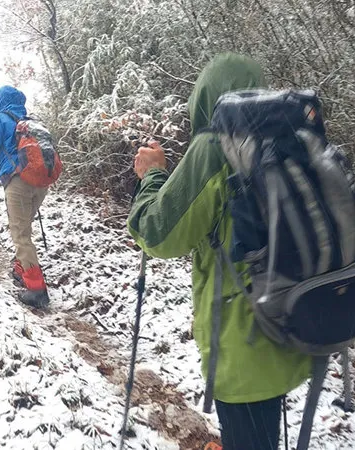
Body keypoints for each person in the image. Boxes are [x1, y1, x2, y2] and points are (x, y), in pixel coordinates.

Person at [127, 53, 312, 450]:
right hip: (295, 319)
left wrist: (153, 175)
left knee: (251, 426)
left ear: (205, 98)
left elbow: (157, 234)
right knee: (261, 425)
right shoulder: (292, 138)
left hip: (242, 341)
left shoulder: (215, 146)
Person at [0, 85, 50, 308]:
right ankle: (21, 268)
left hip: (17, 182)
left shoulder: (0, 119)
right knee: (24, 227)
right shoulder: (32, 121)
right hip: (41, 182)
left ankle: (36, 289)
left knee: (20, 234)